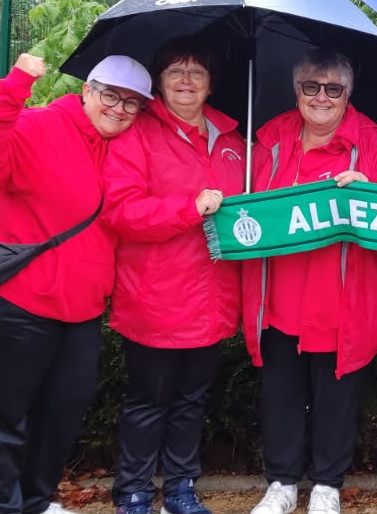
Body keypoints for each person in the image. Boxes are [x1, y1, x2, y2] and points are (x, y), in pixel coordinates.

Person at [0, 52, 153, 514]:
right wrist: (17, 82)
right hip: (13, 303)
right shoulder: (43, 125)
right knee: (0, 418)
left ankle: (36, 501)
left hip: (79, 311)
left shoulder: (118, 147)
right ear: (86, 90)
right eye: (110, 95)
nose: (119, 109)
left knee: (59, 417)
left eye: (132, 103)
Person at [243, 48, 377, 514]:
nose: (321, 97)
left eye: (333, 88)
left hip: (341, 295)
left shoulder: (372, 143)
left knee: (336, 395)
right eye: (311, 86)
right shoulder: (269, 137)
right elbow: (243, 203)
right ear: (296, 90)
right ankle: (282, 483)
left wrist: (370, 190)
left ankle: (328, 484)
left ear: (348, 94)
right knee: (280, 392)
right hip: (278, 293)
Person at [102, 37, 246, 514]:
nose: (186, 81)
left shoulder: (232, 141)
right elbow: (122, 212)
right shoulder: (137, 134)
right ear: (159, 82)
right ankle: (135, 491)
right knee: (149, 403)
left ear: (211, 84)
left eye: (197, 72)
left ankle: (182, 487)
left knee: (191, 403)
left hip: (214, 295)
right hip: (155, 297)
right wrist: (189, 208)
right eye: (175, 72)